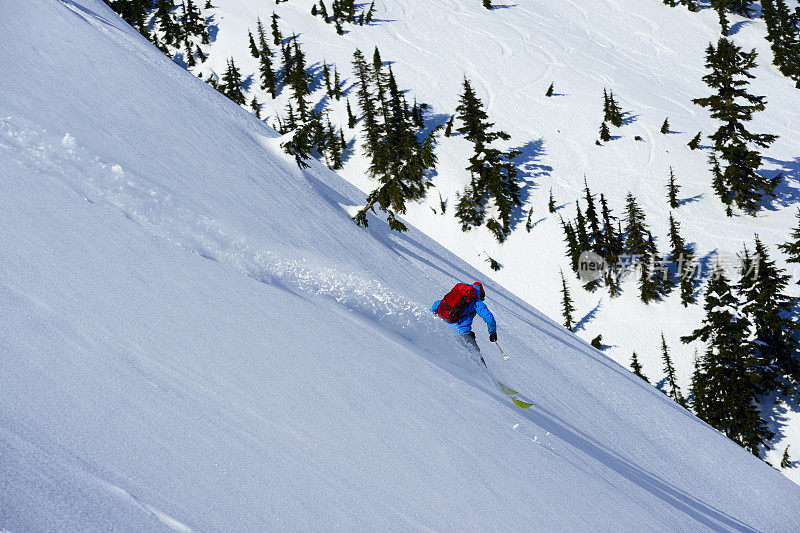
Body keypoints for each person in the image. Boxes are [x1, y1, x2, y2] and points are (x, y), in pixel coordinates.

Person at [431, 282, 497, 366]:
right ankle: (486, 377)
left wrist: (432, 319)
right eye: (482, 297)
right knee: (477, 358)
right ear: (480, 293)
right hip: (462, 334)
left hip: (445, 331)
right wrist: (493, 333)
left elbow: (436, 305)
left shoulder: (457, 297)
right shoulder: (476, 302)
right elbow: (489, 318)